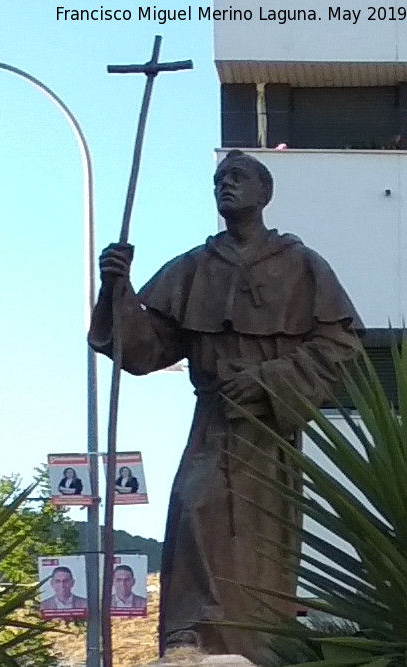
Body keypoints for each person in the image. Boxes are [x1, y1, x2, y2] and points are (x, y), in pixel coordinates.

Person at [88, 150, 364, 664]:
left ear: (264, 193)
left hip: (269, 428)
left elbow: (339, 345)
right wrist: (118, 290)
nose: (226, 186)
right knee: (196, 506)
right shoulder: (194, 268)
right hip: (212, 423)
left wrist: (268, 381)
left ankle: (254, 640)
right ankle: (190, 633)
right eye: (219, 179)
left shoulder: (301, 265)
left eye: (238, 178)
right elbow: (144, 350)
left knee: (260, 534)